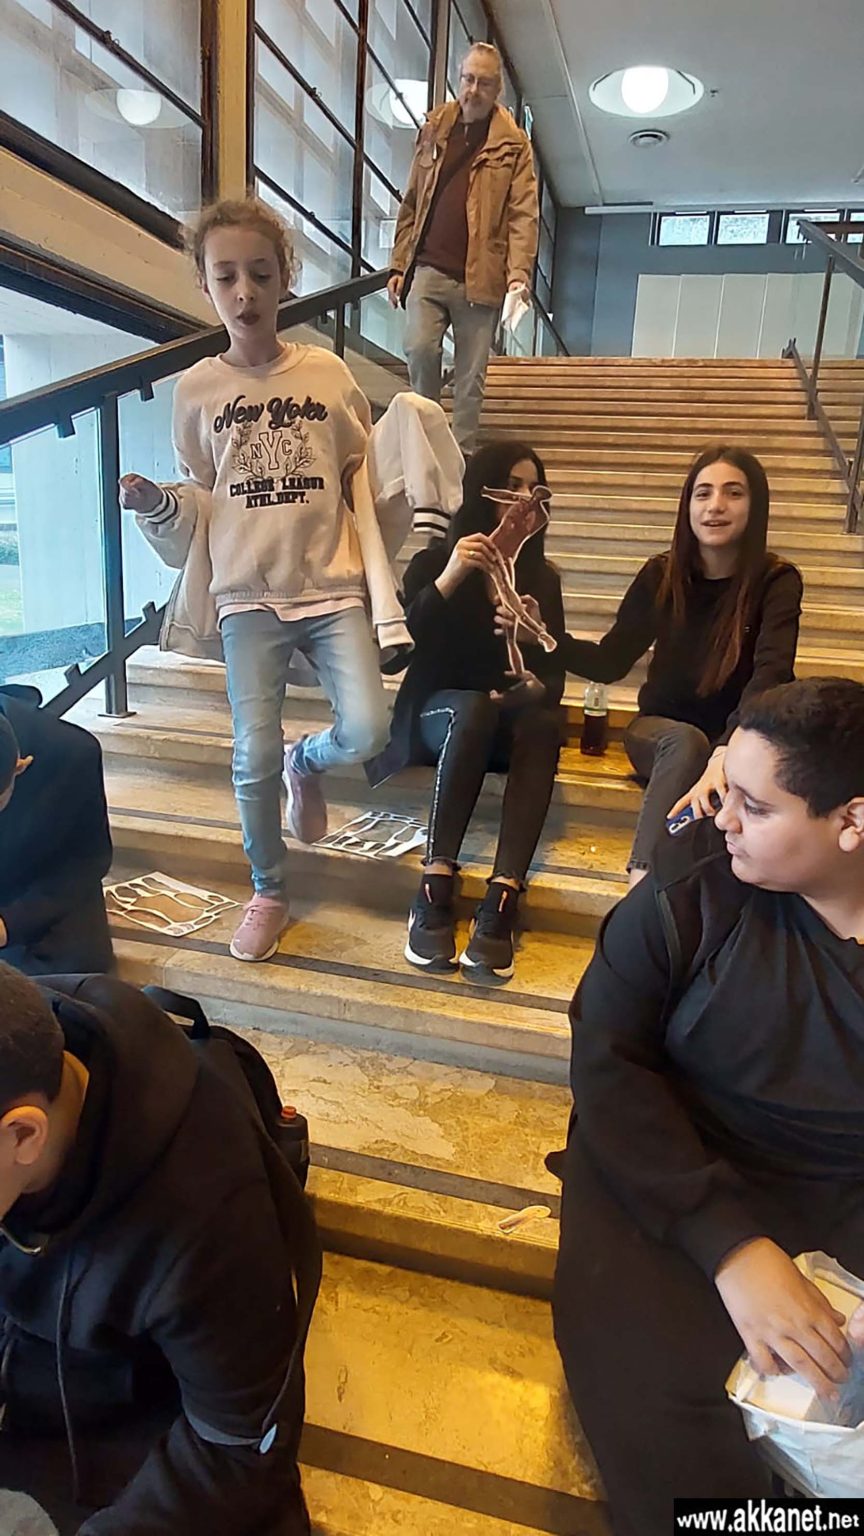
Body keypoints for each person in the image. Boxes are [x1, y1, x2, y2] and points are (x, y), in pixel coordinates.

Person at [553, 677, 864, 1535]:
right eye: (729, 791)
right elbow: (608, 1064)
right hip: (668, 1166)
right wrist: (733, 1247)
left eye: (755, 808)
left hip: (841, 1186)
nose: (722, 819)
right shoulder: (693, 893)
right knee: (662, 1412)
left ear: (852, 821)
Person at [121, 198, 405, 964]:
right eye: (226, 277)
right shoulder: (195, 390)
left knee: (369, 730)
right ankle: (268, 890)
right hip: (245, 595)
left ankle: (306, 761)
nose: (244, 292)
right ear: (205, 286)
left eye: (260, 274)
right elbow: (203, 495)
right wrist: (156, 505)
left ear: (285, 280)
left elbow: (361, 471)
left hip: (332, 586)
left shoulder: (329, 374)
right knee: (250, 754)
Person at [0, 965, 316, 1536]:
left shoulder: (208, 1213)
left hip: (141, 1414)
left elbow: (239, 1447)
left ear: (24, 1134)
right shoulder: (28, 1034)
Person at [557, 445, 803, 886]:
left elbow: (771, 675)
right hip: (660, 734)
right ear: (687, 506)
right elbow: (610, 661)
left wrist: (728, 750)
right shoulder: (661, 575)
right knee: (687, 743)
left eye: (733, 493)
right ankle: (642, 884)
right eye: (703, 493)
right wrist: (545, 640)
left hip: (736, 740)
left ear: (755, 505)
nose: (715, 505)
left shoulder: (775, 580)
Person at [369, 440, 565, 980]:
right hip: (438, 716)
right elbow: (396, 654)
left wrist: (531, 653)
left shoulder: (541, 578)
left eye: (535, 489)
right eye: (513, 485)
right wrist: (451, 576)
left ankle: (504, 894)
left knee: (543, 724)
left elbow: (552, 684)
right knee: (472, 709)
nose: (524, 499)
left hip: (501, 721)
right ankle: (434, 883)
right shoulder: (434, 561)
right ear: (482, 491)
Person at [387, 42, 539, 455]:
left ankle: (463, 458)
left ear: (497, 90)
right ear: (459, 79)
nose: (473, 90)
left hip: (480, 280)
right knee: (420, 348)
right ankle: (426, 443)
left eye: (484, 83)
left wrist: (518, 275)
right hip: (428, 268)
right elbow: (412, 201)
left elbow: (523, 215)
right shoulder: (434, 128)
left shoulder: (514, 145)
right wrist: (398, 264)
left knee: (471, 376)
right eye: (468, 79)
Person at [0, 689, 113, 977]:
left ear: (20, 768)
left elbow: (88, 860)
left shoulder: (71, 754)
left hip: (35, 883)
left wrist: (9, 923)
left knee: (75, 969)